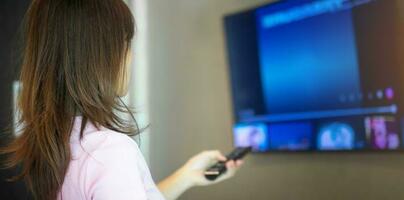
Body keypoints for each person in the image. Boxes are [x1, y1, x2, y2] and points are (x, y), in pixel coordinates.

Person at [0, 0, 243, 199]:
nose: (131, 55)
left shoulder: (59, 141)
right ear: (100, 56)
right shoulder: (111, 151)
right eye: (126, 43)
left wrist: (187, 176)